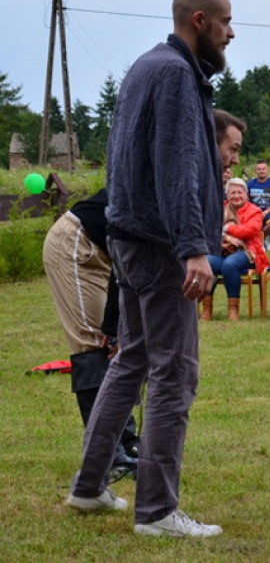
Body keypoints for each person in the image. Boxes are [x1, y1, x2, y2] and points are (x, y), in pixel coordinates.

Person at [65, 0, 235, 538]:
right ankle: (158, 511)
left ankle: (89, 487)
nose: (231, 34)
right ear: (200, 20)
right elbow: (176, 167)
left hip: (127, 238)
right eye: (227, 23)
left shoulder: (147, 66)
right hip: (159, 247)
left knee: (131, 360)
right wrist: (192, 248)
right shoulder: (176, 75)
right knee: (174, 374)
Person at [43, 188, 140, 477]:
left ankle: (127, 442)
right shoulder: (157, 181)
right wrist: (113, 328)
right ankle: (107, 456)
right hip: (76, 243)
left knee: (115, 348)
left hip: (106, 253)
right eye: (231, 149)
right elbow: (126, 265)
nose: (234, 161)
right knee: (93, 346)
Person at [204, 177, 269, 321]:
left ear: (246, 195)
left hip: (248, 251)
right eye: (232, 193)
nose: (236, 196)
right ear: (227, 195)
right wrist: (227, 238)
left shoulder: (255, 211)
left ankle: (233, 309)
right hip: (221, 249)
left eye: (240, 193)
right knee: (208, 262)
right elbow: (209, 229)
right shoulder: (220, 208)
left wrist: (226, 229)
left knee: (229, 264)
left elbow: (250, 231)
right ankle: (207, 308)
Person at [247, 159, 270, 249]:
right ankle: (258, 240)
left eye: (263, 168)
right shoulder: (249, 184)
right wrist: (254, 211)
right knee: (249, 223)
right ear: (256, 171)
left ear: (268, 170)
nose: (261, 171)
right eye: (259, 169)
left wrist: (266, 212)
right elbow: (246, 202)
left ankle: (263, 238)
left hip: (269, 211)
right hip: (253, 211)